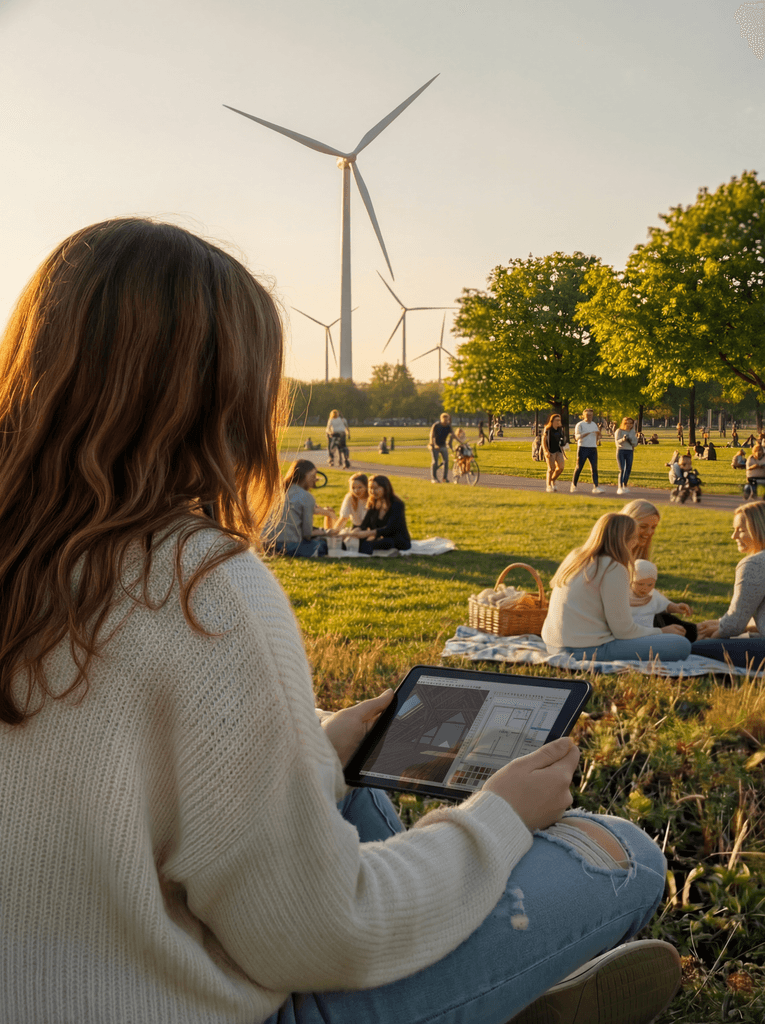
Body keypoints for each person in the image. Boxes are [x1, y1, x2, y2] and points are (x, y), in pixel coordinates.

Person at [0, 218, 681, 1024]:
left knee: (348, 793)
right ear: (219, 396)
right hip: (190, 1002)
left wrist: (310, 755)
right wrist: (494, 817)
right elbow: (317, 935)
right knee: (620, 855)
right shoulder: (195, 582)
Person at [541, 513, 692, 663]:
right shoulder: (613, 568)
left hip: (553, 645)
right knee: (680, 645)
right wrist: (660, 631)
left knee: (672, 642)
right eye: (634, 537)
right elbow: (623, 631)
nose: (636, 543)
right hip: (584, 650)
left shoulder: (576, 557)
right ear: (623, 540)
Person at [692, 502, 765, 668]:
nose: (734, 536)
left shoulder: (754, 564)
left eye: (741, 530)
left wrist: (708, 638)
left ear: (759, 529)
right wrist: (718, 623)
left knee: (687, 648)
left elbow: (733, 626)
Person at [264, 459, 334, 557]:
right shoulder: (306, 497)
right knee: (324, 544)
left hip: (267, 544)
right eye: (313, 476)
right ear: (305, 476)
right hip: (290, 546)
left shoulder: (277, 491)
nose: (316, 479)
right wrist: (323, 533)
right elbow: (307, 534)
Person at [630, 560, 697, 642]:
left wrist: (675, 607)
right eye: (640, 584)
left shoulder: (652, 595)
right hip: (635, 635)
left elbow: (664, 604)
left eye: (650, 585)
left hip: (652, 633)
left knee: (685, 633)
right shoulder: (625, 597)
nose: (645, 588)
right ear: (631, 581)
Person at [350, 475, 411, 555]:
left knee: (369, 544)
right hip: (380, 538)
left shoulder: (397, 504)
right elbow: (364, 525)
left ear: (385, 488)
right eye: (370, 488)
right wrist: (357, 531)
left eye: (376, 488)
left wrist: (368, 533)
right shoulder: (373, 503)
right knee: (356, 541)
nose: (372, 491)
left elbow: (390, 529)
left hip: (397, 540)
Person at [570, 407, 602, 494]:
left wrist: (599, 435)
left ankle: (596, 486)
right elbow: (577, 437)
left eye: (591, 415)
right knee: (579, 467)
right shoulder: (580, 425)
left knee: (594, 468)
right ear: (583, 415)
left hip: (593, 448)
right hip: (583, 448)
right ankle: (573, 485)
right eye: (587, 415)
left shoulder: (594, 424)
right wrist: (586, 434)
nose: (589, 417)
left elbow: (598, 437)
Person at [541, 413, 566, 492]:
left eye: (559, 420)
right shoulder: (547, 429)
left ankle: (552, 480)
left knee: (561, 468)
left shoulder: (560, 429)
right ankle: (548, 485)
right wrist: (545, 451)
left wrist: (564, 452)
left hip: (558, 450)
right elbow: (543, 441)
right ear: (552, 421)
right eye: (557, 420)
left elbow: (560, 441)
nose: (558, 422)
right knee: (551, 469)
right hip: (550, 451)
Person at [613, 416, 638, 495]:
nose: (629, 425)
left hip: (629, 451)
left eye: (631, 423)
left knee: (628, 469)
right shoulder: (619, 431)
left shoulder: (632, 431)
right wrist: (623, 439)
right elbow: (617, 442)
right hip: (621, 451)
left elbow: (635, 443)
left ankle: (625, 485)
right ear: (624, 423)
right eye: (627, 423)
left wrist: (632, 440)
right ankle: (620, 487)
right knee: (622, 469)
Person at [429, 412, 456, 483]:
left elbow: (453, 435)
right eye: (444, 420)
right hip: (435, 446)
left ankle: (444, 478)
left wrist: (460, 441)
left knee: (446, 461)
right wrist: (434, 445)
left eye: (447, 420)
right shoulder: (436, 425)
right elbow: (432, 436)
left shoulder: (448, 426)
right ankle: (434, 478)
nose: (446, 421)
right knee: (435, 462)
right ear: (441, 419)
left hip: (443, 445)